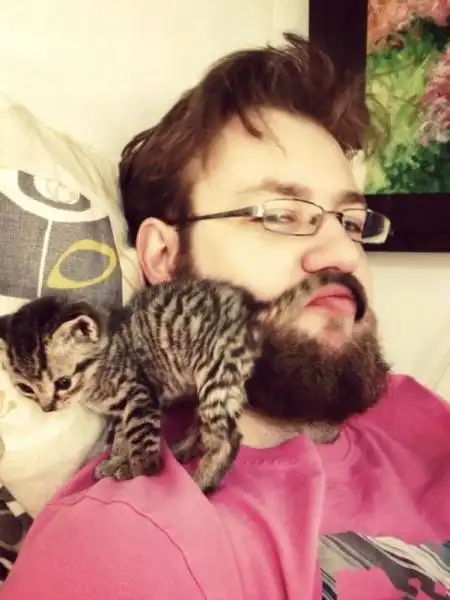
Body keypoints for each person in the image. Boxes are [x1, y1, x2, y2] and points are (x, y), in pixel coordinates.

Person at [3, 32, 450, 600]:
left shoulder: (407, 407)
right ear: (164, 256)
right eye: (280, 214)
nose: (342, 253)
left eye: (352, 222)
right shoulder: (126, 548)